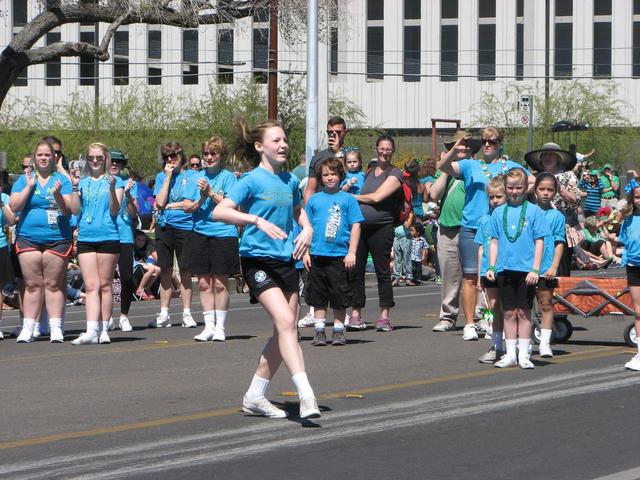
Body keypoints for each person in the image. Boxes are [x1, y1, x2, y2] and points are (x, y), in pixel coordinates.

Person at [213, 117, 320, 420]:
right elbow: (222, 211)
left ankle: (254, 396)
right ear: (260, 146)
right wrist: (255, 220)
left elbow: (298, 211)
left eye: (285, 139)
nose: (283, 144)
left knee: (283, 332)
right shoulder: (250, 180)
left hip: (287, 259)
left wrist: (308, 229)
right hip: (256, 260)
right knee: (287, 322)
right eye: (276, 140)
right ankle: (306, 394)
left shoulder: (288, 181)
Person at [437, 128, 525, 341]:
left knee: (494, 276)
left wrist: (516, 197)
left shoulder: (510, 166)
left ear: (500, 144)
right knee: (470, 277)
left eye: (492, 141)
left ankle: (489, 320)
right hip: (471, 226)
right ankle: (469, 324)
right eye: (484, 141)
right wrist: (456, 148)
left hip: (499, 227)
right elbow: (443, 166)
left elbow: (530, 182)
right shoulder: (471, 165)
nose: (487, 144)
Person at [10, 140, 75, 344]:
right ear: (34, 157)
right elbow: (14, 206)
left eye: (48, 155)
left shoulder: (62, 180)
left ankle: (56, 327)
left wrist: (57, 195)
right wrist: (29, 187)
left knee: (53, 284)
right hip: (28, 237)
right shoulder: (24, 179)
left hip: (57, 239)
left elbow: (68, 211)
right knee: (31, 284)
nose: (44, 158)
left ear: (54, 157)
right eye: (40, 155)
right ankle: (29, 327)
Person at [486, 168, 547, 369]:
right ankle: (510, 353)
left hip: (526, 271)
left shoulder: (533, 210)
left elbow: (539, 241)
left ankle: (524, 354)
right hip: (505, 268)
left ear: (525, 188)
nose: (514, 192)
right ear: (505, 187)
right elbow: (494, 241)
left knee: (524, 312)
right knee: (508, 312)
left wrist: (535, 269)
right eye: (510, 188)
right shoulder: (498, 212)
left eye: (518, 188)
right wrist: (492, 266)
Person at [184, 136, 239, 342]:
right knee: (205, 283)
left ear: (221, 155)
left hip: (223, 233)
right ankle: (208, 326)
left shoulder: (229, 178)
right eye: (206, 153)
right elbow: (187, 206)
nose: (208, 157)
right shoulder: (195, 178)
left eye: (213, 153)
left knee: (220, 283)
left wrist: (211, 193)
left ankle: (220, 327)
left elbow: (231, 205)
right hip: (200, 233)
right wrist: (201, 197)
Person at [303, 157, 363, 346]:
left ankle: (338, 330)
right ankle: (319, 330)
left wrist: (352, 252)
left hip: (339, 256)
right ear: (320, 177)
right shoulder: (314, 200)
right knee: (318, 295)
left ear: (340, 176)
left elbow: (356, 226)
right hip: (317, 255)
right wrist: (305, 252)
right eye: (325, 175)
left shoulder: (348, 200)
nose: (329, 178)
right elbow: (307, 227)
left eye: (333, 174)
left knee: (339, 294)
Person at [71, 143, 123, 345]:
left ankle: (103, 328)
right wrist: (75, 187)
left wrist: (111, 189)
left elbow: (114, 210)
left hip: (108, 236)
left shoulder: (115, 181)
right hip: (86, 237)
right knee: (91, 285)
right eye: (91, 157)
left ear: (106, 159)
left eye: (99, 157)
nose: (94, 161)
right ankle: (91, 329)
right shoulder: (82, 182)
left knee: (105, 284)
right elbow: (75, 210)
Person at [350, 135, 403, 331]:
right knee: (356, 270)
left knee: (382, 271)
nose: (385, 152)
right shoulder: (369, 172)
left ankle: (384, 316)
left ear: (392, 151)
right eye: (382, 148)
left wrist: (353, 197)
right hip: (362, 227)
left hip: (382, 227)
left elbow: (377, 197)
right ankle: (356, 314)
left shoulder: (395, 173)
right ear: (376, 149)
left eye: (388, 149)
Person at [149, 142, 197, 328]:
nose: (171, 159)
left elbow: (187, 203)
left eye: (174, 155)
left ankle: (186, 313)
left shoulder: (191, 176)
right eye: (167, 156)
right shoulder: (161, 177)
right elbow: (160, 202)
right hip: (164, 225)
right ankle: (164, 314)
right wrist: (168, 178)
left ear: (181, 156)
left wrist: (171, 205)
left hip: (184, 226)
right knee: (165, 270)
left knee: (185, 270)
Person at [524, 142, 580, 277]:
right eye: (545, 155)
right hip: (537, 227)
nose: (548, 158)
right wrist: (530, 188)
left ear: (558, 158)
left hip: (562, 228)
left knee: (560, 269)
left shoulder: (568, 176)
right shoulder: (535, 177)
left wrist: (559, 189)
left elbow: (575, 201)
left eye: (551, 155)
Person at [533, 173, 566, 359]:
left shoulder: (557, 216)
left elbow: (559, 242)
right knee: (522, 306)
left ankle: (545, 343)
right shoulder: (527, 211)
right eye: (542, 189)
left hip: (546, 267)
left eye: (550, 190)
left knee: (545, 304)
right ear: (535, 189)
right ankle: (523, 342)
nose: (546, 193)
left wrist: (554, 266)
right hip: (526, 266)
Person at [476, 176, 507, 364]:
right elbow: (481, 247)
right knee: (493, 307)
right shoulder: (485, 220)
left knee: (510, 308)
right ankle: (496, 344)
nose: (494, 201)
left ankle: (513, 344)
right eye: (492, 197)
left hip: (506, 268)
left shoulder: (509, 217)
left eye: (498, 197)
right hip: (489, 271)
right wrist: (481, 272)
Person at [108, 148, 137, 332]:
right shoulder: (101, 183)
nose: (114, 165)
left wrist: (127, 196)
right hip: (106, 236)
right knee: (106, 280)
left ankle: (124, 316)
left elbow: (134, 214)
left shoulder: (128, 184)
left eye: (118, 162)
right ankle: (107, 316)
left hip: (124, 236)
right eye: (112, 161)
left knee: (127, 278)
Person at [619, 179, 640, 370]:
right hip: (634, 267)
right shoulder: (628, 219)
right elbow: (625, 242)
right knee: (638, 311)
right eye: (638, 197)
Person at [304, 116, 348, 204]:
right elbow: (310, 189)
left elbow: (349, 175)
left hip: (343, 205)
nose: (334, 134)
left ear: (345, 132)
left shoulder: (352, 154)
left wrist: (337, 151)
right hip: (322, 205)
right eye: (330, 132)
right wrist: (308, 212)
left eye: (338, 132)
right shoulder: (318, 157)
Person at [0, 188, 17, 339]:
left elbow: (12, 221)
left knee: (5, 285)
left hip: (1, 245)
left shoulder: (4, 198)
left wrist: (1, 204)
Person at [134, 230, 160, 300]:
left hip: (141, 264)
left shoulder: (146, 248)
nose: (141, 242)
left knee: (158, 269)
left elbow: (152, 243)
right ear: (134, 240)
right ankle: (140, 289)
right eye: (139, 240)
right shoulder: (132, 246)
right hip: (133, 264)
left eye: (143, 240)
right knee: (151, 269)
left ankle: (147, 287)